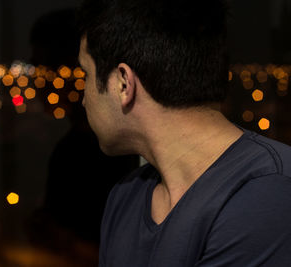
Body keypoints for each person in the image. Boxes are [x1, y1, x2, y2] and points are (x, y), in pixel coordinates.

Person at [76, 0, 291, 266]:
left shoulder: (267, 194)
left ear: (123, 83)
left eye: (85, 73)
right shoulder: (125, 198)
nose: (83, 99)